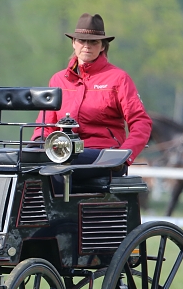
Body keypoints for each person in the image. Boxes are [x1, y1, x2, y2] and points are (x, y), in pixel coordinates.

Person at [35, 13, 152, 173]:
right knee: (21, 162)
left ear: (103, 46)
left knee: (62, 163)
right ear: (73, 43)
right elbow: (45, 125)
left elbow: (141, 122)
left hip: (102, 155)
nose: (87, 46)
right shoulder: (57, 80)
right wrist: (36, 144)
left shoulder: (119, 79)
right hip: (61, 152)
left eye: (93, 42)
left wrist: (123, 156)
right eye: (82, 41)